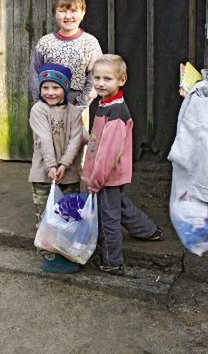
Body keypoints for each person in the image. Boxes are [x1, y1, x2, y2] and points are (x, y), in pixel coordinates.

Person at [83, 55, 163, 276]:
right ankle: (148, 231)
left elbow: (108, 155)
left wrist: (95, 181)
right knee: (119, 205)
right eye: (97, 77)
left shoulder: (116, 112)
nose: (100, 83)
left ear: (122, 80)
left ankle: (112, 261)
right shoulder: (105, 104)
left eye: (107, 78)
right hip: (106, 175)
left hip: (107, 176)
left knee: (109, 217)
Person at [29, 63, 85, 274]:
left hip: (68, 174)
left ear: (65, 88)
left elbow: (75, 140)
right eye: (46, 88)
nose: (50, 92)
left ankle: (66, 252)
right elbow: (44, 138)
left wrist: (64, 165)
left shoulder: (74, 112)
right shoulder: (38, 110)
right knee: (45, 216)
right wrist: (52, 166)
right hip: (43, 173)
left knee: (68, 216)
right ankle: (50, 257)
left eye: (56, 87)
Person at [29, 0, 103, 109]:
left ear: (83, 12)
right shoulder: (45, 42)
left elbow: (95, 75)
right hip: (48, 104)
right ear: (55, 13)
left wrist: (82, 101)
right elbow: (34, 73)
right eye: (62, 11)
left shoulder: (90, 43)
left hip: (77, 104)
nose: (68, 16)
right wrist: (40, 102)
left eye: (74, 11)